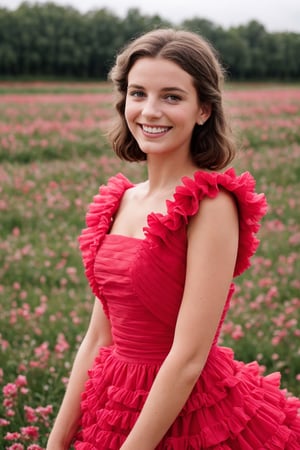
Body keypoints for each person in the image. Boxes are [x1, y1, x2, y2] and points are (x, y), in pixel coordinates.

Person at [47, 28, 300, 449]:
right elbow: (97, 338)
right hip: (115, 399)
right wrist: (56, 443)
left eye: (172, 96)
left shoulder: (212, 205)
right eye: (137, 93)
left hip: (189, 412)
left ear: (203, 109)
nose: (149, 111)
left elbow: (187, 359)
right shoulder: (122, 200)